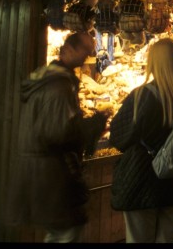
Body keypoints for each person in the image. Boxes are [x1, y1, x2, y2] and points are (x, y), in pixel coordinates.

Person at [7, 31, 108, 243]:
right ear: (67, 49)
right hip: (50, 173)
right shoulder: (58, 85)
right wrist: (93, 124)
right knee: (66, 233)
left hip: (40, 171)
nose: (86, 57)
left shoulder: (49, 79)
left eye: (89, 52)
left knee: (60, 233)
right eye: (84, 51)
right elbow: (58, 132)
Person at [109, 38, 173, 243]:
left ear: (154, 62)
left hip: (142, 180)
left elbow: (117, 137)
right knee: (168, 238)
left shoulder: (142, 96)